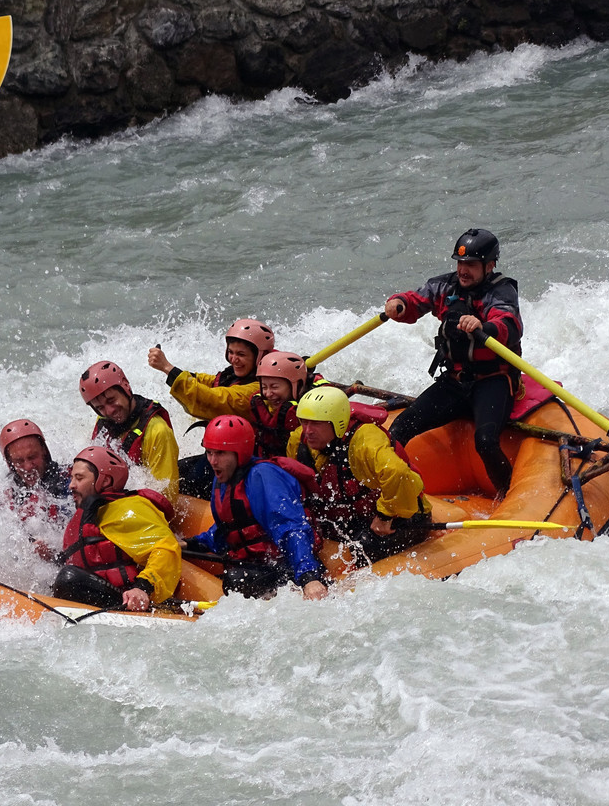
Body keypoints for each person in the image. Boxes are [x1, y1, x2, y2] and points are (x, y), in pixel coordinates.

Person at [383, 227, 523, 496]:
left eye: (470, 264)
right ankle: (394, 494)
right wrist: (398, 302)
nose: (463, 271)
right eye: (460, 263)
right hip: (455, 381)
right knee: (399, 428)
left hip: (493, 381)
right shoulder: (444, 286)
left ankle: (508, 495)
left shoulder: (501, 291)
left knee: (484, 442)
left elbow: (508, 323)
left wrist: (484, 326)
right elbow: (416, 300)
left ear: (489, 265)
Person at [183, 415, 328, 600]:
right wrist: (192, 543)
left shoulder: (262, 476)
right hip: (258, 566)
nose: (212, 461)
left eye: (220, 453)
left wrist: (309, 578)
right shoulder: (223, 478)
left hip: (287, 568)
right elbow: (228, 529)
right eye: (209, 452)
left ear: (240, 452)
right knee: (237, 576)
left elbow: (290, 528)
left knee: (237, 580)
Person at [289, 386, 432, 565]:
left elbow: (398, 473)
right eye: (304, 422)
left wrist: (385, 516)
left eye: (316, 423)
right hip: (352, 517)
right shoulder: (298, 440)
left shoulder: (366, 439)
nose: (308, 430)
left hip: (401, 516)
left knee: (365, 546)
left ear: (337, 421)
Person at [148, 318, 275, 495]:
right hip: (224, 455)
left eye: (241, 354)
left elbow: (213, 399)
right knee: (175, 473)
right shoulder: (237, 376)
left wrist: (168, 369)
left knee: (184, 483)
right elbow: (208, 382)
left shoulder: (259, 390)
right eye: (231, 352)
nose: (234, 359)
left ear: (259, 357)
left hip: (245, 461)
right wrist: (174, 371)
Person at [53, 446, 182, 612]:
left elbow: (166, 548)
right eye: (72, 478)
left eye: (79, 478)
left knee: (69, 579)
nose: (71, 485)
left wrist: (142, 588)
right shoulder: (86, 515)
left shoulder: (128, 509)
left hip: (129, 601)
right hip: (96, 601)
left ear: (105, 481)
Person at [79, 360, 179, 501]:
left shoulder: (158, 432)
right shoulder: (104, 421)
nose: (109, 411)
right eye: (100, 408)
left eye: (111, 400)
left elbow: (165, 498)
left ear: (125, 386)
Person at [0, 418, 72, 559]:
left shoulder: (69, 482)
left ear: (44, 451)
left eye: (32, 457)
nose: (28, 467)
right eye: (19, 461)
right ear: (10, 463)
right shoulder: (8, 489)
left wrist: (54, 556)